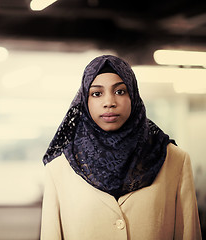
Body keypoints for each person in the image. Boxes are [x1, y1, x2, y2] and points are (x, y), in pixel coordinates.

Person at [40, 55, 202, 239]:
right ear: (85, 101)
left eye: (120, 91)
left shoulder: (174, 160)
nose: (109, 102)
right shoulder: (60, 169)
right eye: (97, 93)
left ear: (133, 95)